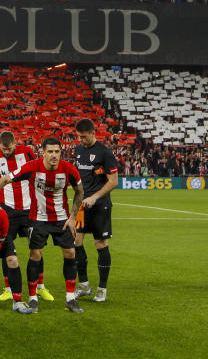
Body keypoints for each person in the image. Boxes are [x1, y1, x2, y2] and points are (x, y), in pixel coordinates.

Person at [0, 137, 86, 314]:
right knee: (35, 254)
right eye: (50, 151)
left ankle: (70, 298)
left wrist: (73, 217)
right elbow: (5, 179)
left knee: (70, 252)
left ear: (61, 152)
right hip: (38, 218)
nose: (53, 155)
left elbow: (80, 191)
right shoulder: (33, 167)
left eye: (57, 151)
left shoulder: (68, 169)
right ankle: (33, 298)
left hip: (62, 218)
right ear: (43, 152)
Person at [0, 131, 53, 301]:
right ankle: (8, 289)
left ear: (15, 143)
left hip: (29, 208)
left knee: (36, 248)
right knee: (5, 247)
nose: (6, 152)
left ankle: (40, 286)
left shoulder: (27, 152)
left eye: (9, 149)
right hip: (7, 209)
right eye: (3, 149)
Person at [72, 118, 118, 303]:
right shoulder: (78, 151)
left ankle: (102, 289)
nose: (81, 140)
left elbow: (113, 181)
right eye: (79, 137)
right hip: (82, 205)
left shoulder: (104, 153)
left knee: (100, 244)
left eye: (84, 137)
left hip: (100, 205)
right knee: (76, 241)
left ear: (93, 133)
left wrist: (95, 197)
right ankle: (84, 285)